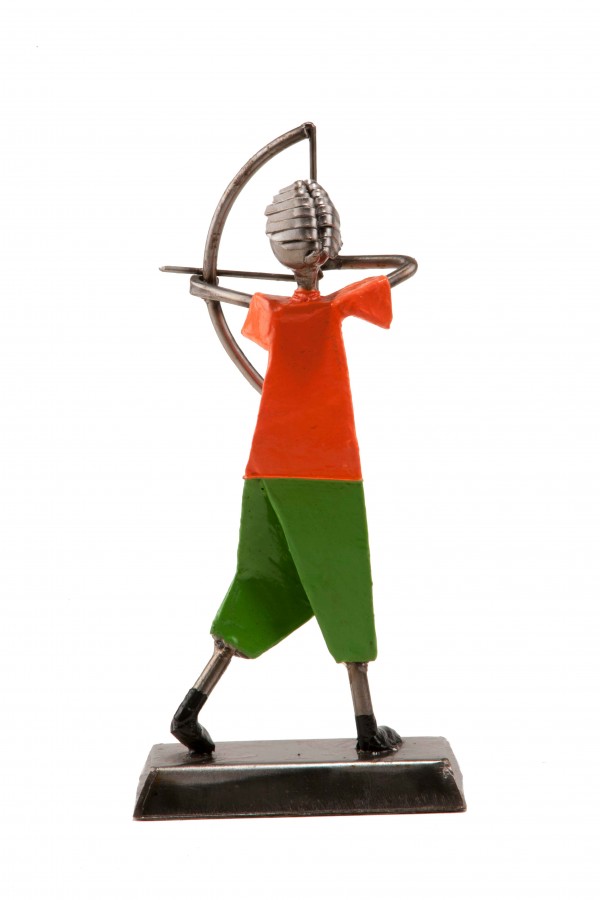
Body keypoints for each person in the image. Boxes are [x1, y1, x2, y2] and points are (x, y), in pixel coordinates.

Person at [170, 179, 417, 754]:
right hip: (324, 468)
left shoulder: (274, 309)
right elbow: (406, 265)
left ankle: (190, 708)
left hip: (268, 463)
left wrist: (209, 286)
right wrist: (338, 262)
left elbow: (210, 292)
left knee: (266, 580)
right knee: (341, 578)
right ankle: (366, 729)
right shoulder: (335, 304)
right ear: (326, 247)